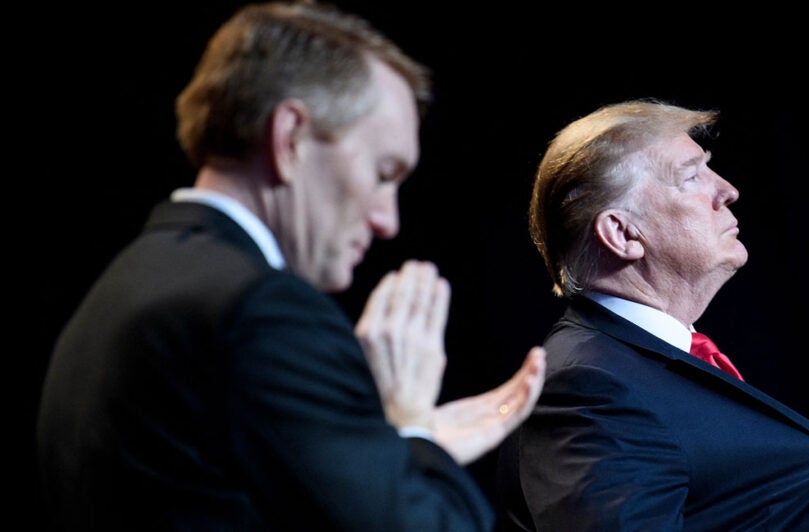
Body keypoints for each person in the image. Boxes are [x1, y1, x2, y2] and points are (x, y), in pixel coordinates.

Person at [35, 1, 546, 530]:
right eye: (382, 172)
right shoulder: (264, 314)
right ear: (291, 138)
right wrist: (410, 426)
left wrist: (394, 447)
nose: (387, 219)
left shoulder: (130, 281)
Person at [495, 99, 809, 531]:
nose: (727, 190)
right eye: (692, 175)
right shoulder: (587, 387)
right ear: (623, 234)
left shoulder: (651, 365)